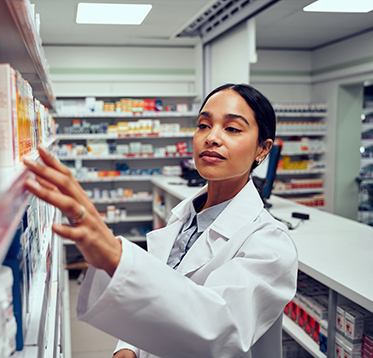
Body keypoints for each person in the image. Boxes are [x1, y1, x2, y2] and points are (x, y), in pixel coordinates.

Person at [23, 83, 298, 358]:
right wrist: (127, 348)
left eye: (232, 129)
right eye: (203, 125)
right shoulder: (183, 218)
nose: (211, 137)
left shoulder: (270, 244)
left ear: (263, 149)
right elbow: (157, 299)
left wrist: (116, 257)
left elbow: (217, 330)